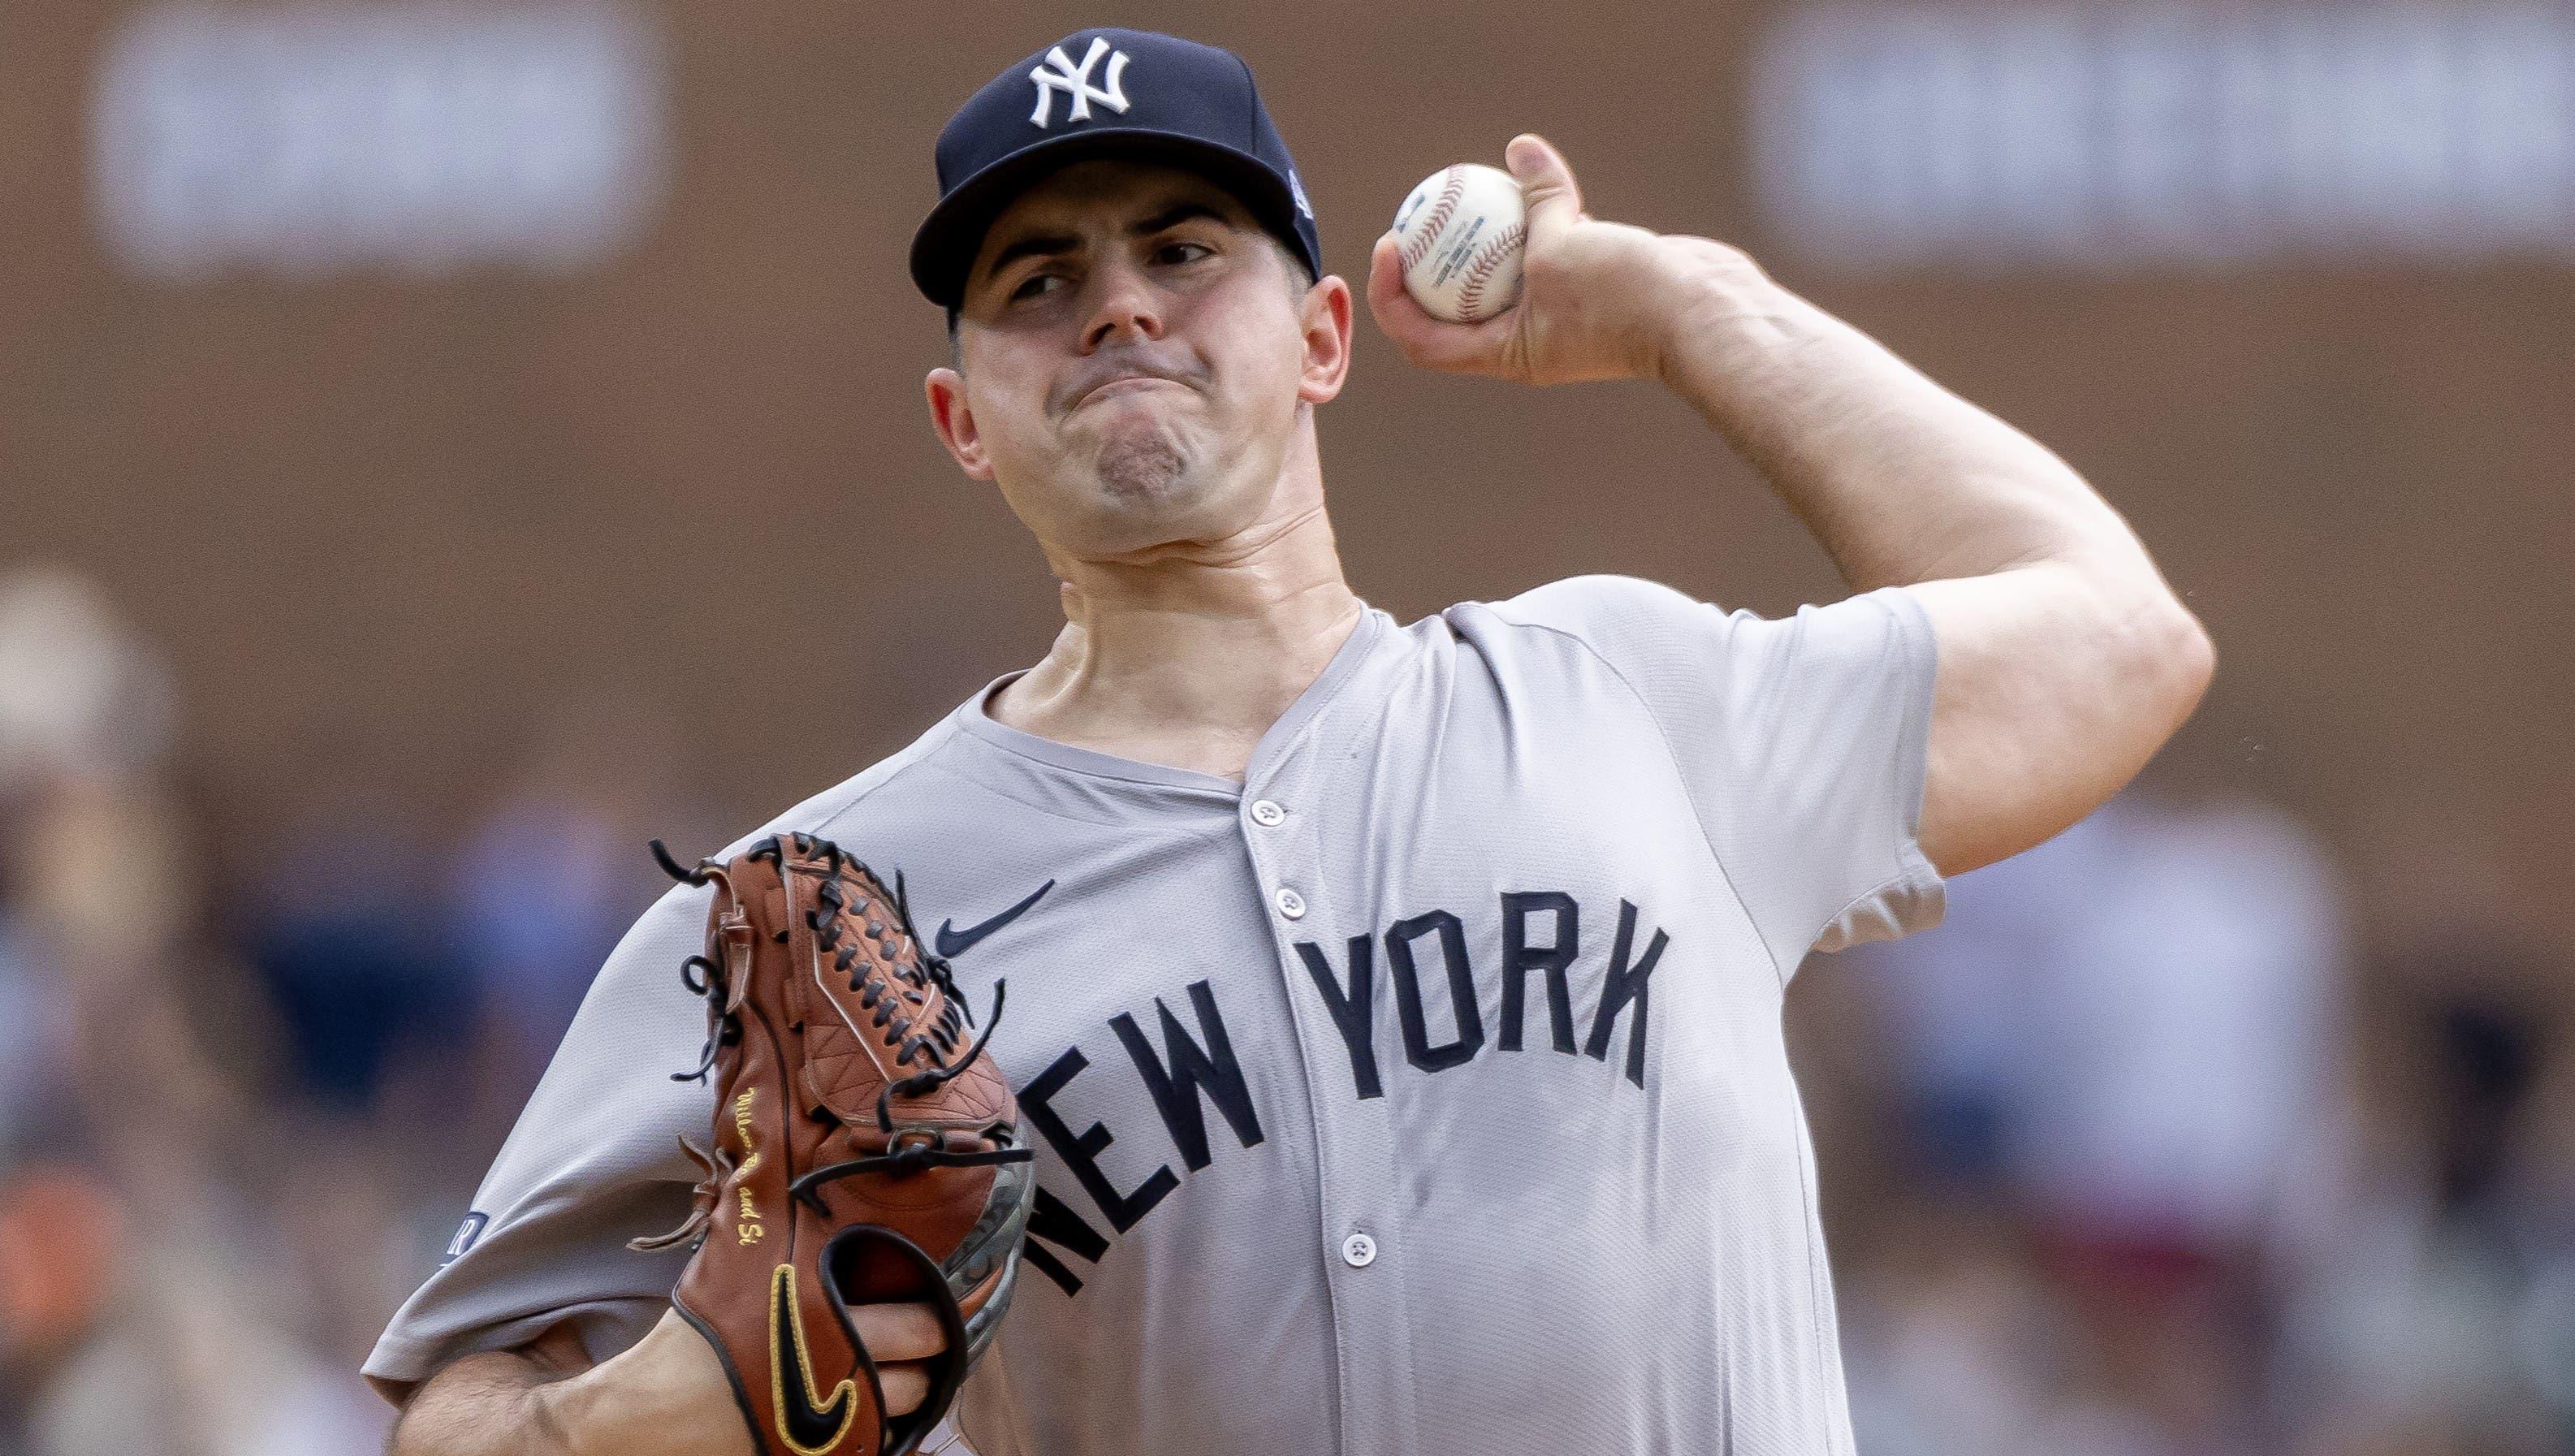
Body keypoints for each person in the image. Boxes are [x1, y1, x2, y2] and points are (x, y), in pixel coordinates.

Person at [369, 27, 2213, 1456]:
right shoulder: (829, 906)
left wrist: (1683, 309)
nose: (1117, 303)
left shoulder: (1630, 701)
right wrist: (678, 1399)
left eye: (1186, 247)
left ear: (1326, 335)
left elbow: (2116, 644)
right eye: (1035, 281)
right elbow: (451, 1406)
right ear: (961, 416)